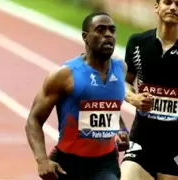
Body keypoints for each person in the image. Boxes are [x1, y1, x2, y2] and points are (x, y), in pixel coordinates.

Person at [25, 12, 130, 180]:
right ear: (85, 37)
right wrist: (42, 160)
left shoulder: (121, 68)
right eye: (101, 30)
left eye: (112, 30)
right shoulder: (65, 75)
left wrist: (122, 130)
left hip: (105, 163)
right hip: (68, 164)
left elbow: (109, 108)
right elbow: (34, 120)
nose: (108, 34)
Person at [121, 0, 178, 180]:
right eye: (168, 2)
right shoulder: (137, 43)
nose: (173, 8)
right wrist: (132, 98)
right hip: (143, 140)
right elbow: (125, 82)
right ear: (156, 6)